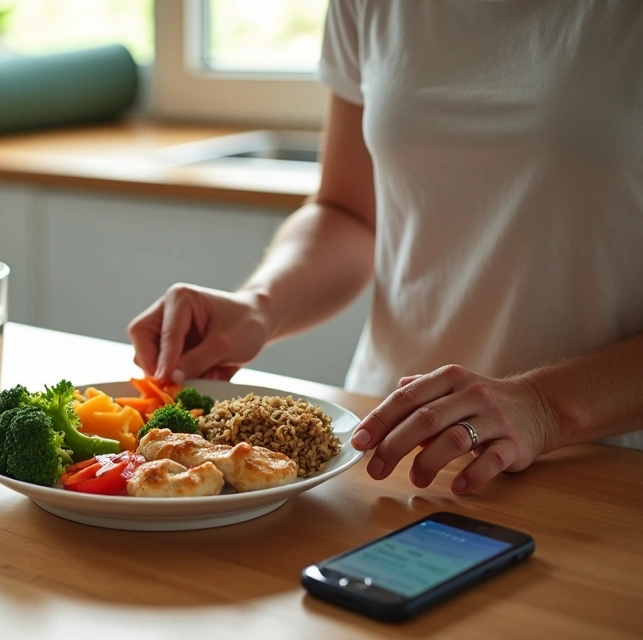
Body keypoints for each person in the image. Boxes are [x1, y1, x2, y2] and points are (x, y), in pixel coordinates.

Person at [128, 0, 643, 494]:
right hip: (384, 441)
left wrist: (545, 407)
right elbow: (349, 212)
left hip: (596, 462)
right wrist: (260, 305)